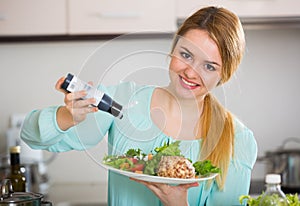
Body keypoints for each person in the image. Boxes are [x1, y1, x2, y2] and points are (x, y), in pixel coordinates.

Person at [21, 6, 257, 206]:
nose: (190, 72)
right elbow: (30, 135)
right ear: (173, 49)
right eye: (186, 55)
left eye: (209, 67)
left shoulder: (237, 139)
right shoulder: (122, 101)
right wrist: (66, 116)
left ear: (223, 75)